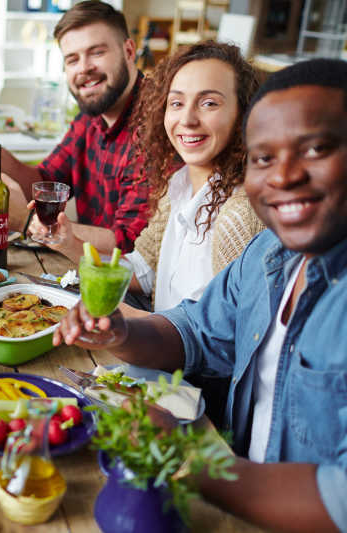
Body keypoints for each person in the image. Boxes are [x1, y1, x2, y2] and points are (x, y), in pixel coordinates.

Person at [55, 58, 347, 533]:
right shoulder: (270, 252)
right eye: (264, 157)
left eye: (315, 149)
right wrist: (122, 332)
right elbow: (194, 329)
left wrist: (193, 455)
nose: (283, 176)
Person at [42, 42, 265, 315]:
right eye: (177, 103)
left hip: (173, 354)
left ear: (243, 114)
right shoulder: (177, 185)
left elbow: (221, 336)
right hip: (155, 348)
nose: (187, 118)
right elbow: (141, 272)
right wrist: (69, 244)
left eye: (209, 103)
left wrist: (124, 322)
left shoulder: (240, 214)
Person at [0, 1, 150, 253]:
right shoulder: (91, 117)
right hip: (85, 268)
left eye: (97, 52)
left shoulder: (155, 125)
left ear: (129, 51)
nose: (84, 69)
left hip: (126, 285)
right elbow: (45, 182)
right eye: (72, 59)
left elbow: (130, 245)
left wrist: (28, 223)